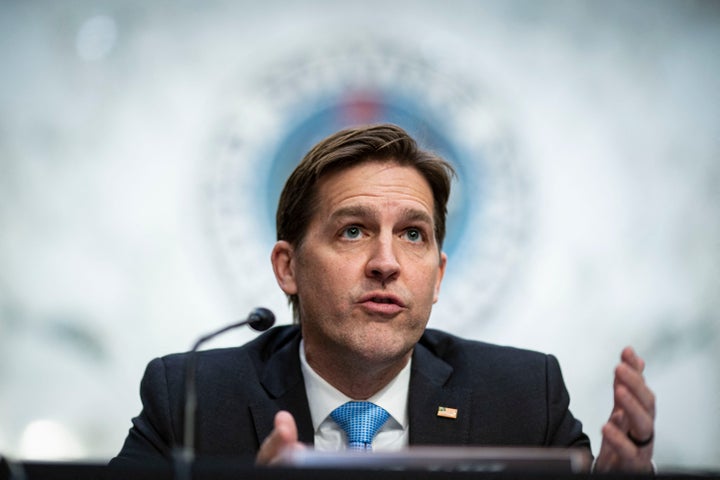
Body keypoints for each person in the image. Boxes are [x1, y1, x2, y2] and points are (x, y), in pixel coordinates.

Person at [112, 124, 655, 472]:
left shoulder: (521, 399)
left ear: (437, 276)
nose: (386, 262)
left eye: (413, 234)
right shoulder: (190, 401)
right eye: (353, 230)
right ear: (288, 267)